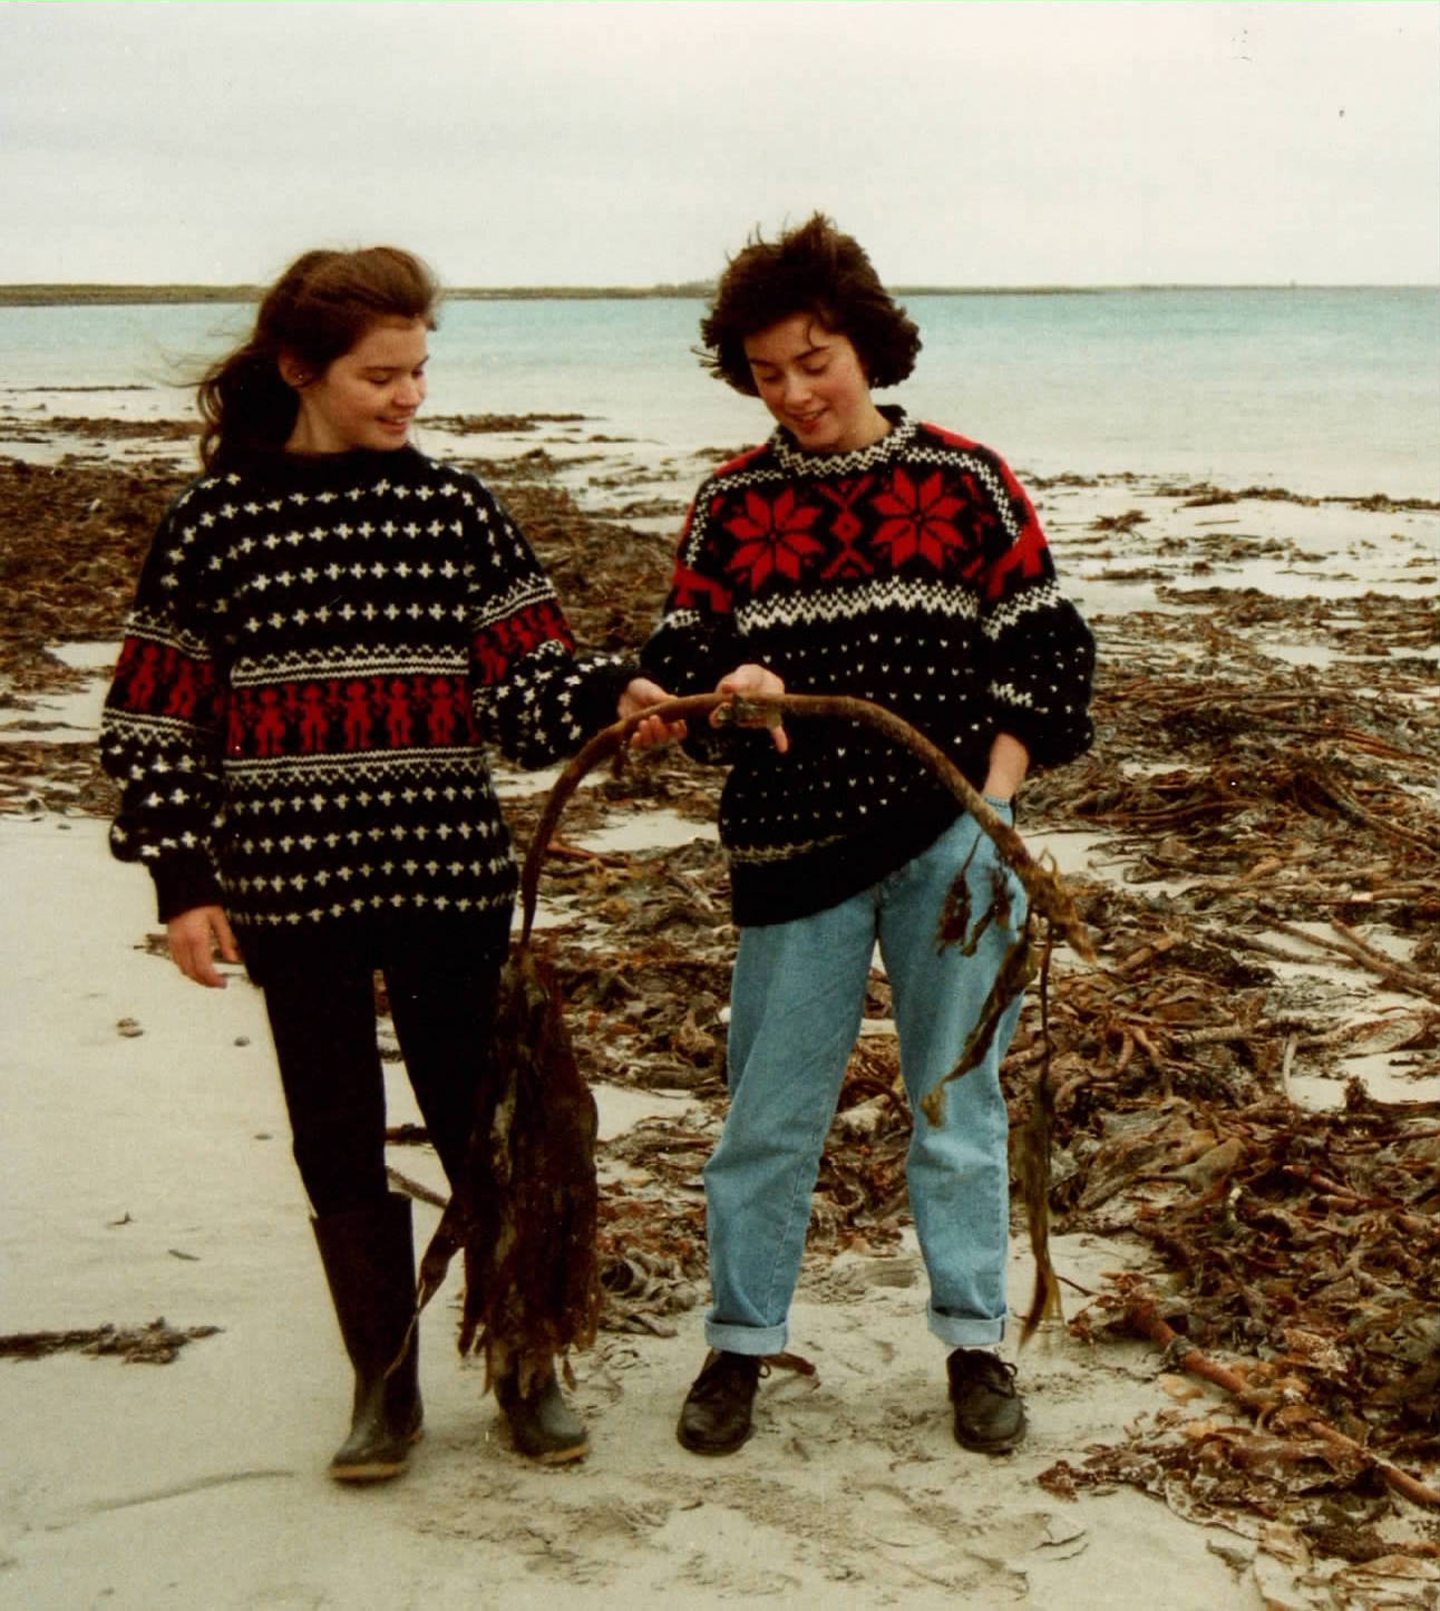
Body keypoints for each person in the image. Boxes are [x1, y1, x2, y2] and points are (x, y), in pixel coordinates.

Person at [99, 245, 666, 1481]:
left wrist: (611, 694)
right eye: (381, 375)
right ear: (301, 367)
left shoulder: (455, 508)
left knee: (483, 1126)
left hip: (447, 873)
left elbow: (526, 688)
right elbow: (152, 719)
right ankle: (384, 1387)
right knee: (334, 1140)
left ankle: (526, 1361)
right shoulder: (214, 524)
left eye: (420, 371)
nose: (410, 396)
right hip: (291, 888)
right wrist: (182, 884)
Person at [635, 214, 1095, 1457]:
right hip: (792, 855)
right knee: (768, 1117)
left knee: (960, 1107)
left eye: (815, 359)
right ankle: (740, 1348)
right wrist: (728, 681)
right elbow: (679, 660)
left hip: (954, 847)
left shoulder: (965, 480)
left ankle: (974, 1340)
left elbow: (1047, 652)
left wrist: (995, 799)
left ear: (868, 347)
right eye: (768, 371)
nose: (794, 390)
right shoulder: (731, 502)